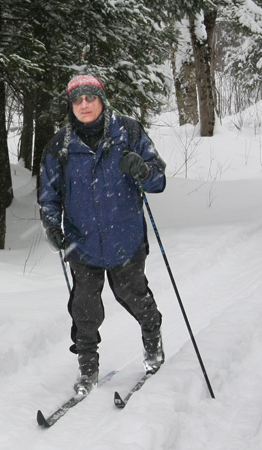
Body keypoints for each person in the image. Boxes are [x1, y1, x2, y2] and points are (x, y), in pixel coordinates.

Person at [37, 74, 166, 395]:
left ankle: (153, 340)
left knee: (133, 296)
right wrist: (52, 226)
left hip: (127, 237)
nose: (84, 105)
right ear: (71, 105)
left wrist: (143, 170)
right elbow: (48, 195)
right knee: (84, 308)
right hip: (81, 242)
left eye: (90, 98)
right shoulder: (60, 145)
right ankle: (87, 369)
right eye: (77, 100)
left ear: (101, 100)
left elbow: (158, 180)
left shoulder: (129, 131)